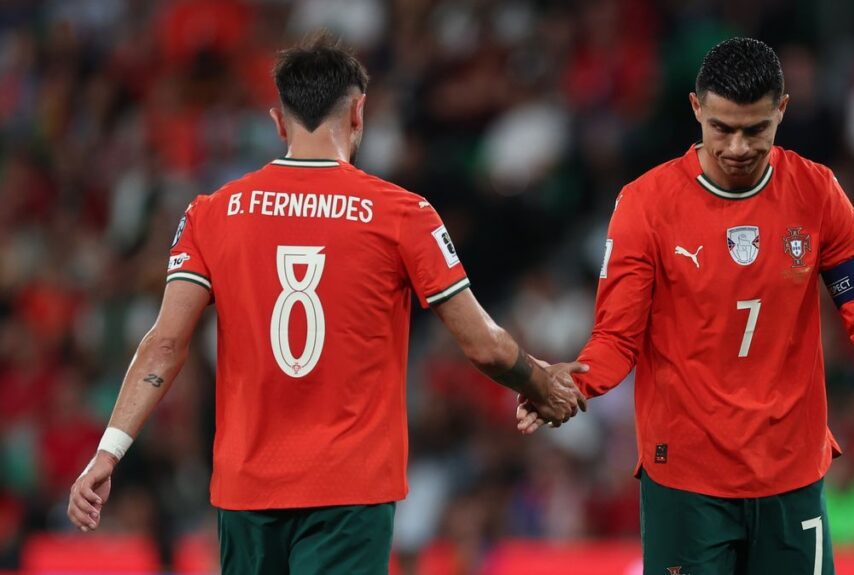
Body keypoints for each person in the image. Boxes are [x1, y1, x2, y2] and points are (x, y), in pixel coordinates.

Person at [67, 33, 586, 575]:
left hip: (245, 494)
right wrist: (540, 384)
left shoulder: (211, 213)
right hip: (349, 493)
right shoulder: (402, 214)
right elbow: (483, 346)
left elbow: (165, 343)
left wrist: (108, 452)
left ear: (277, 121)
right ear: (359, 112)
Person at [518, 37, 854, 574]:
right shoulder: (646, 205)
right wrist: (570, 384)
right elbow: (616, 338)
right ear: (696, 108)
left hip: (790, 475)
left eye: (756, 130)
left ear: (782, 111)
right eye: (721, 128)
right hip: (686, 480)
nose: (738, 147)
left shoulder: (817, 194)